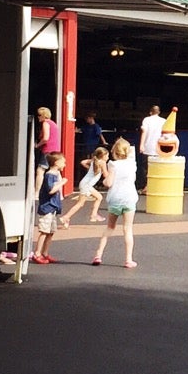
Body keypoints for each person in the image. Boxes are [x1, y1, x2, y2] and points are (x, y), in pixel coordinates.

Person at [93, 138, 139, 269]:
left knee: (110, 227)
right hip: (129, 198)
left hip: (115, 199)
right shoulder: (132, 164)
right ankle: (128, 259)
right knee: (128, 229)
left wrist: (104, 179)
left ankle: (98, 254)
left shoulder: (113, 165)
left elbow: (108, 183)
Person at [60, 146, 110, 227]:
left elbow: (83, 162)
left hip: (85, 183)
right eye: (107, 156)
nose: (108, 157)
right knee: (80, 203)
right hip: (87, 185)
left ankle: (93, 215)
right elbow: (105, 174)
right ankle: (66, 217)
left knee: (99, 197)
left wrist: (91, 169)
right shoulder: (102, 163)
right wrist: (112, 176)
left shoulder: (94, 161)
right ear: (103, 156)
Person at [32, 152, 66, 263]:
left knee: (51, 231)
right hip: (47, 207)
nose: (64, 164)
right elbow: (51, 190)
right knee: (44, 231)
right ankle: (37, 253)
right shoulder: (49, 175)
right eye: (63, 162)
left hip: (53, 208)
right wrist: (62, 183)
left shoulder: (55, 175)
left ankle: (45, 252)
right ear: (56, 163)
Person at [137, 105, 166, 196]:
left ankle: (146, 187)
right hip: (159, 149)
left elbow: (144, 132)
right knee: (158, 169)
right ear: (159, 112)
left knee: (146, 169)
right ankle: (157, 187)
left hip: (148, 148)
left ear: (150, 112)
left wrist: (141, 145)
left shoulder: (146, 120)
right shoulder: (164, 121)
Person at [34, 106, 61, 185]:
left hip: (47, 150)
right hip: (55, 149)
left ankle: (37, 193)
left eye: (39, 115)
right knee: (56, 170)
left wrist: (37, 145)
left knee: (40, 170)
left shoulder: (45, 123)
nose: (38, 117)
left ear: (43, 115)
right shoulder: (53, 124)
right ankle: (60, 192)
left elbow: (46, 138)